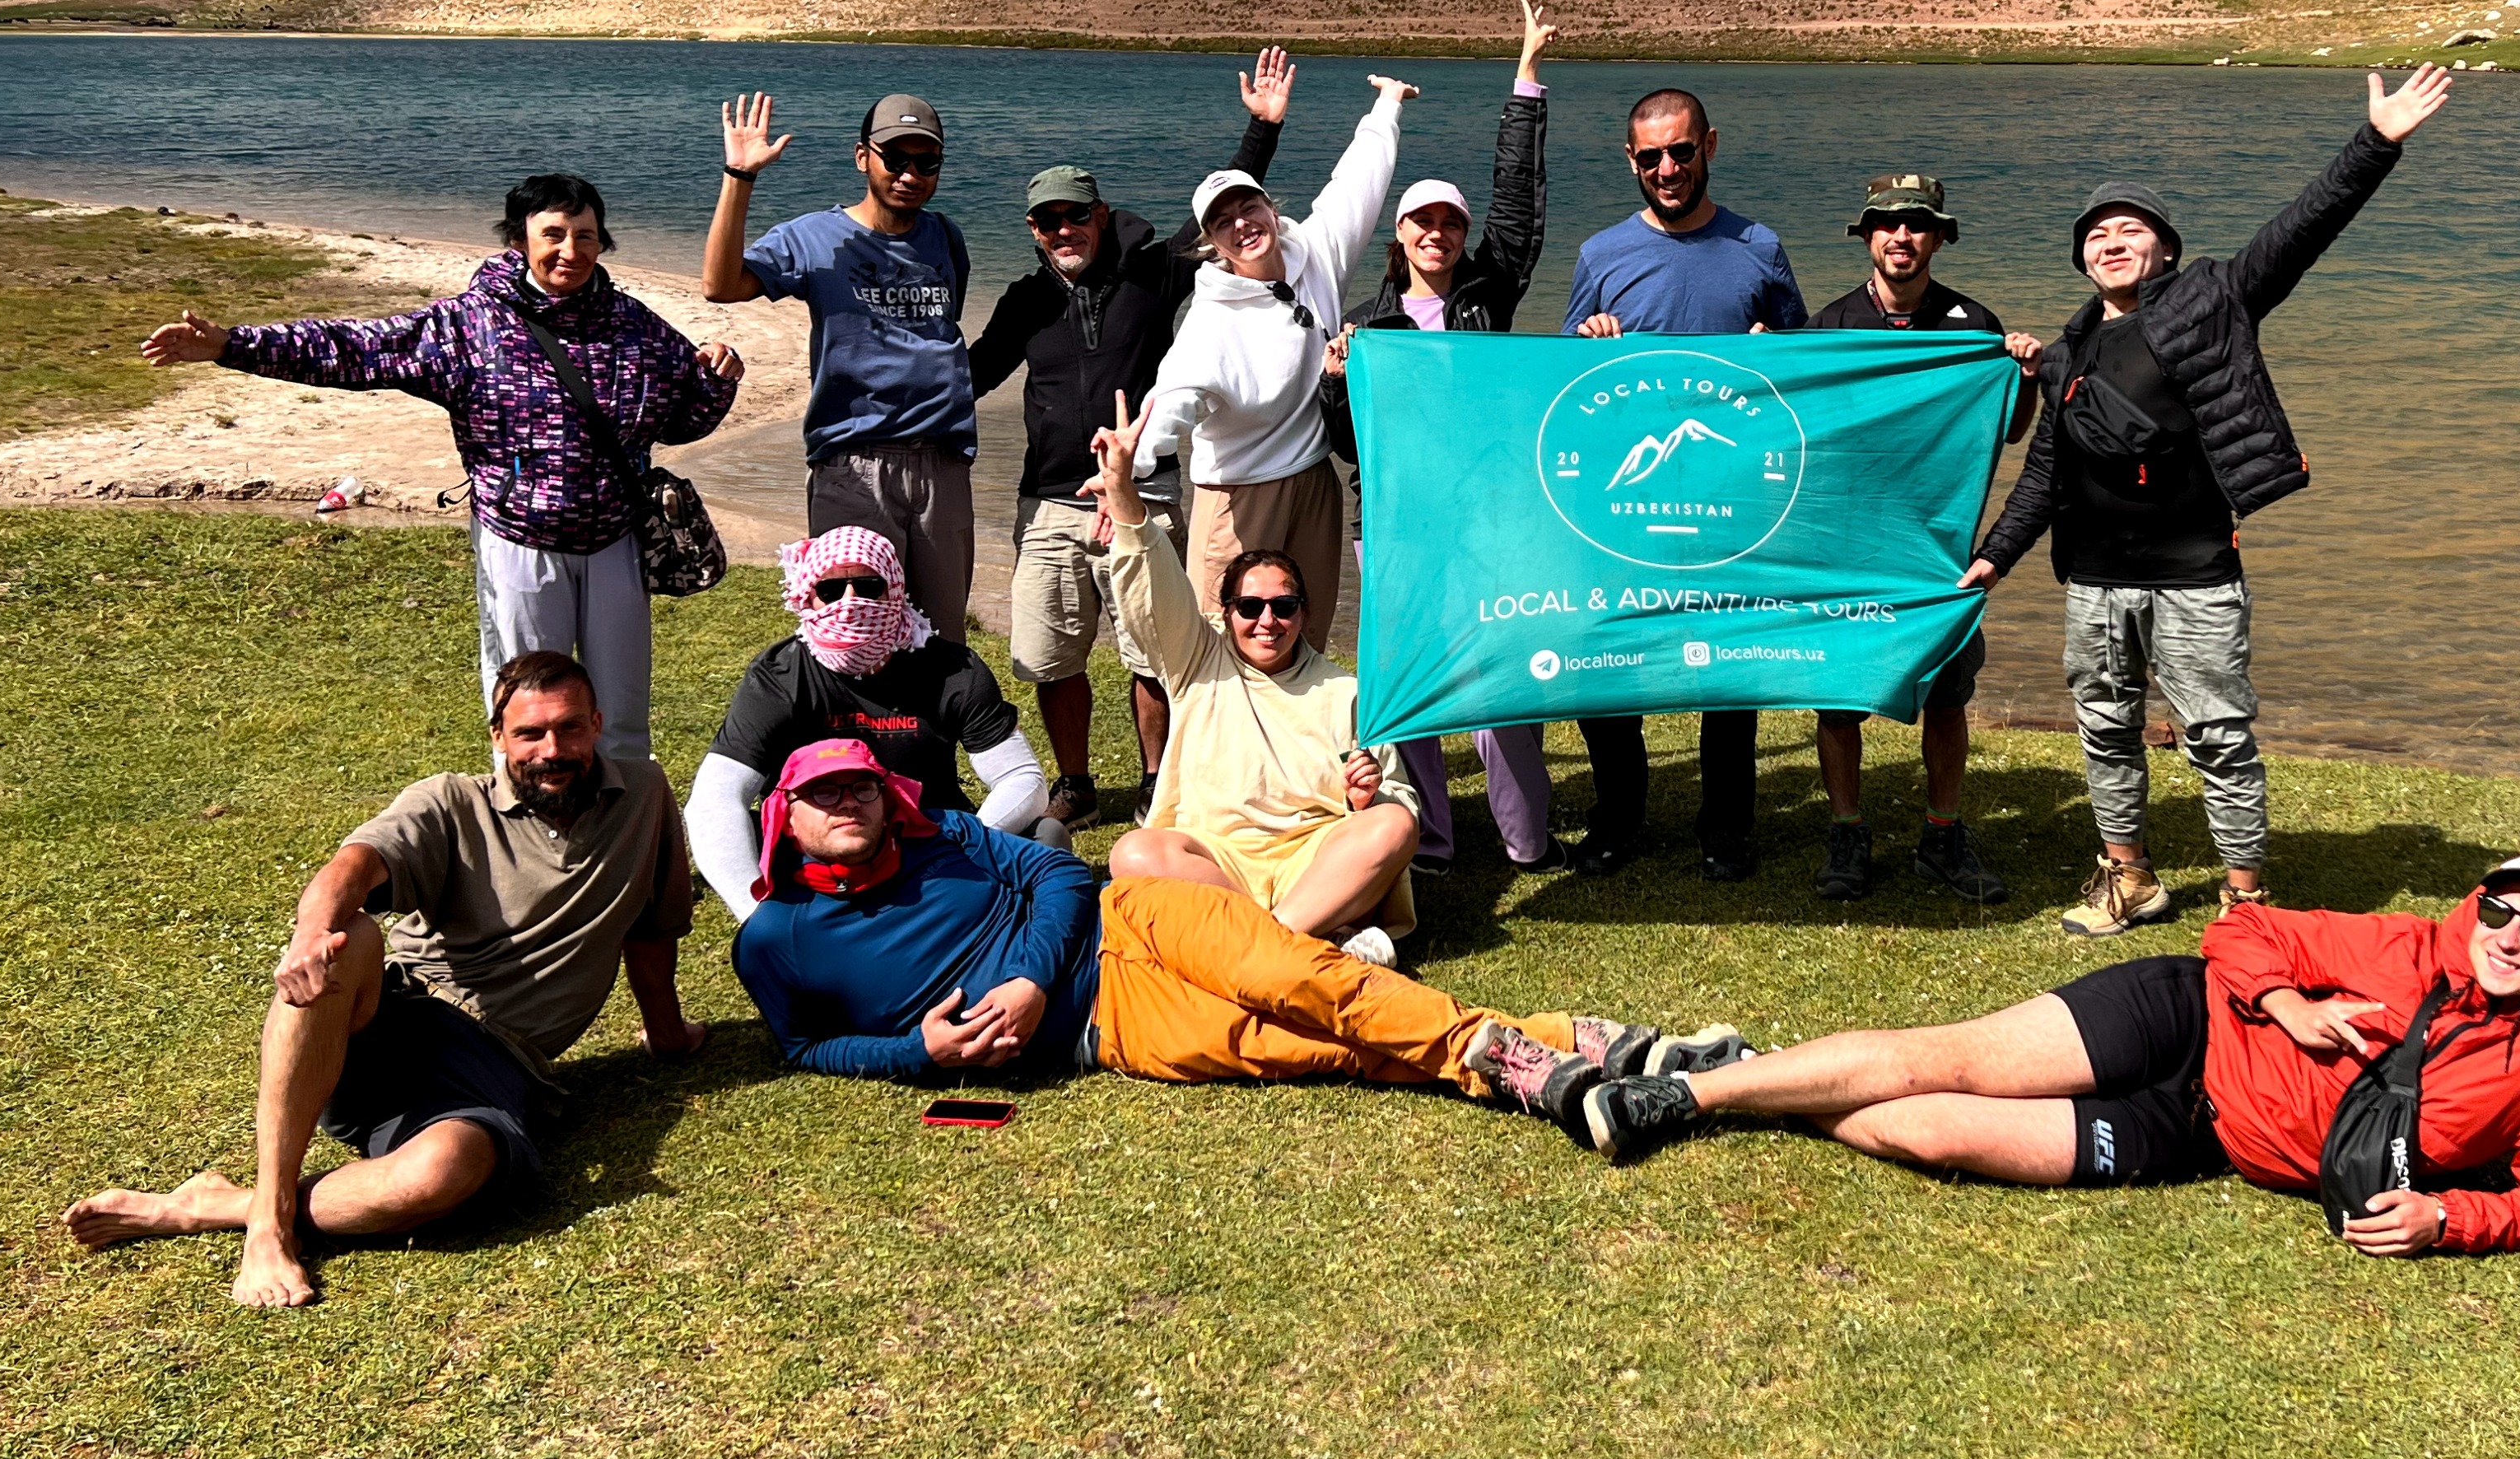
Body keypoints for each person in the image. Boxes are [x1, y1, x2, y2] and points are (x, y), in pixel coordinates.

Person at [1967, 66, 2457, 935]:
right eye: (2096, 235)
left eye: (2132, 229)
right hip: (2094, 580)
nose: (2111, 242)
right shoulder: (2066, 354)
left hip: (2194, 572)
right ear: (2082, 259)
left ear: (2165, 249)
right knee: (2105, 731)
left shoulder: (2215, 300)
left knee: (2218, 738)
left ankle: (2245, 902)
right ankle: (2129, 878)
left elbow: (2301, 229)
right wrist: (1993, 558)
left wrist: (2375, 143)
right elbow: (2043, 474)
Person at [62, 652, 706, 1307]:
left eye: (569, 728)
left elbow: (652, 928)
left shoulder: (643, 796)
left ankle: (211, 1204)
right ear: (497, 736)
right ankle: (269, 1225)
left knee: (444, 1172)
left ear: (597, 723)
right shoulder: (452, 802)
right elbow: (356, 864)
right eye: (529, 733)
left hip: (495, 1064)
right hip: (392, 1014)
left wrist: (667, 1033)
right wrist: (310, 934)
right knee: (348, 938)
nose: (552, 751)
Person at [1571, 855, 2520, 1256]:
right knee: (1955, 1058)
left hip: (2201, 1137)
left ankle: (1753, 1070)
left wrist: (2450, 1218)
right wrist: (2287, 1004)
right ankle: (1688, 1093)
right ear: (2473, 907)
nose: (2508, 938)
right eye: (2497, 910)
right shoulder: (2403, 946)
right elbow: (2244, 931)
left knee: (1935, 1132)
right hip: (2185, 1017)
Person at [729, 741, 1740, 1118]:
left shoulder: (944, 834)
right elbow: (804, 1046)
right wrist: (920, 1053)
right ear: (784, 816)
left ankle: (1515, 1059)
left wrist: (1029, 978)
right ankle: (1573, 1047)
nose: (848, 804)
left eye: (861, 785)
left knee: (1315, 982)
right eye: (823, 795)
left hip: (1131, 921)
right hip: (1106, 1028)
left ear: (886, 794)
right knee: (1314, 1048)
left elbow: (1061, 874)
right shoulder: (776, 938)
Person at [141, 175, 740, 763]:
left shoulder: (634, 325)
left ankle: (627, 819)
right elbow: (355, 348)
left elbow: (681, 424)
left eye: (586, 236)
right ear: (519, 240)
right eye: (554, 234)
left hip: (615, 542)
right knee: (528, 709)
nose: (571, 251)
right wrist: (233, 346)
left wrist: (716, 380)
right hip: (520, 541)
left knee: (622, 714)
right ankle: (522, 817)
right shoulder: (468, 326)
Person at [964, 58, 1296, 827]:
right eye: (1048, 221)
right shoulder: (1023, 301)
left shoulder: (1153, 275)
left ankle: (1157, 779)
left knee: (1153, 651)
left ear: (1102, 215)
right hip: (1049, 503)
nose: (1063, 230)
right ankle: (1075, 782)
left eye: (1075, 216)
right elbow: (971, 375)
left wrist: (1263, 127)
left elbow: (1224, 216)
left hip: (1143, 497)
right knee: (1051, 658)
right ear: (1033, 230)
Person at [1325, 0, 1559, 874]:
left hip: (1492, 519)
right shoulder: (1371, 327)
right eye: (1423, 221)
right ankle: (1427, 837)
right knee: (1414, 680)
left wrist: (1525, 81)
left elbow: (1519, 208)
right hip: (1395, 528)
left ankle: (1526, 837)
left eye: (1451, 223)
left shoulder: (1488, 297)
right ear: (1399, 234)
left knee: (1503, 677)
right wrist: (1335, 383)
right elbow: (1348, 448)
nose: (1438, 233)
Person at [1557, 85, 1811, 880]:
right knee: (1612, 662)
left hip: (1733, 501)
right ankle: (1616, 819)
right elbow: (1560, 388)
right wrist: (1588, 341)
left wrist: (1776, 352)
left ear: (1709, 145)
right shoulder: (1602, 254)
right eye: (1651, 157)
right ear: (1631, 160)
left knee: (1729, 672)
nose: (1667, 169)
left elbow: (1807, 375)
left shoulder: (1759, 246)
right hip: (1624, 503)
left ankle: (1726, 827)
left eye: (1681, 151)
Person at [1097, 393, 1418, 960]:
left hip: (1311, 860)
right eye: (1250, 607)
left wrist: (1364, 799)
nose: (1267, 621)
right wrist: (1123, 488)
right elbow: (1151, 581)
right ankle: (1305, 945)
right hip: (1217, 858)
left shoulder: (1345, 692)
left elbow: (1395, 799)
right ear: (1226, 613)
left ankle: (1261, 948)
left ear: (1304, 614)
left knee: (1393, 825)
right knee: (1133, 853)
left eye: (1283, 607)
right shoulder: (1196, 659)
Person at [1805, 173, 2044, 907]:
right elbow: (1798, 431)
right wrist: (1764, 361)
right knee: (1838, 699)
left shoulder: (1973, 326)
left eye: (1917, 224)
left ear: (1939, 237)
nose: (1901, 236)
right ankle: (1847, 832)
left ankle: (1942, 835)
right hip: (1848, 550)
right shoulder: (1829, 326)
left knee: (1946, 698)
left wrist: (2025, 376)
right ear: (1867, 237)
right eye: (1887, 223)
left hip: (1937, 550)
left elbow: (2008, 430)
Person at [1131, 55, 1413, 651]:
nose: (1241, 225)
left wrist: (1386, 106)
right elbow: (1172, 400)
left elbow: (1358, 184)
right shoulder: (1211, 322)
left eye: (1249, 208)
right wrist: (1126, 471)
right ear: (1212, 243)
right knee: (1224, 647)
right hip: (1240, 495)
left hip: (1313, 482)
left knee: (1304, 638)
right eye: (1223, 223)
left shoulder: (1317, 253)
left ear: (1271, 209)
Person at [683, 527, 1066, 921]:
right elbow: (715, 799)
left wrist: (963, 843)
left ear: (895, 592)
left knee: (1047, 838)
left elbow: (1022, 778)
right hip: (819, 848)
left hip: (932, 840)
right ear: (807, 596)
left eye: (869, 587)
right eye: (831, 590)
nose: (851, 602)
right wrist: (755, 914)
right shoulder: (780, 677)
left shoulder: (953, 670)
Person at [704, 88, 980, 635]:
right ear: (862, 157)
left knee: (941, 640)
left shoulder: (946, 237)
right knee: (854, 633)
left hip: (943, 466)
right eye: (894, 159)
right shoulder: (814, 237)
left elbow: (941, 335)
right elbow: (721, 284)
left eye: (926, 163)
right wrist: (740, 177)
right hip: (854, 465)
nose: (910, 174)